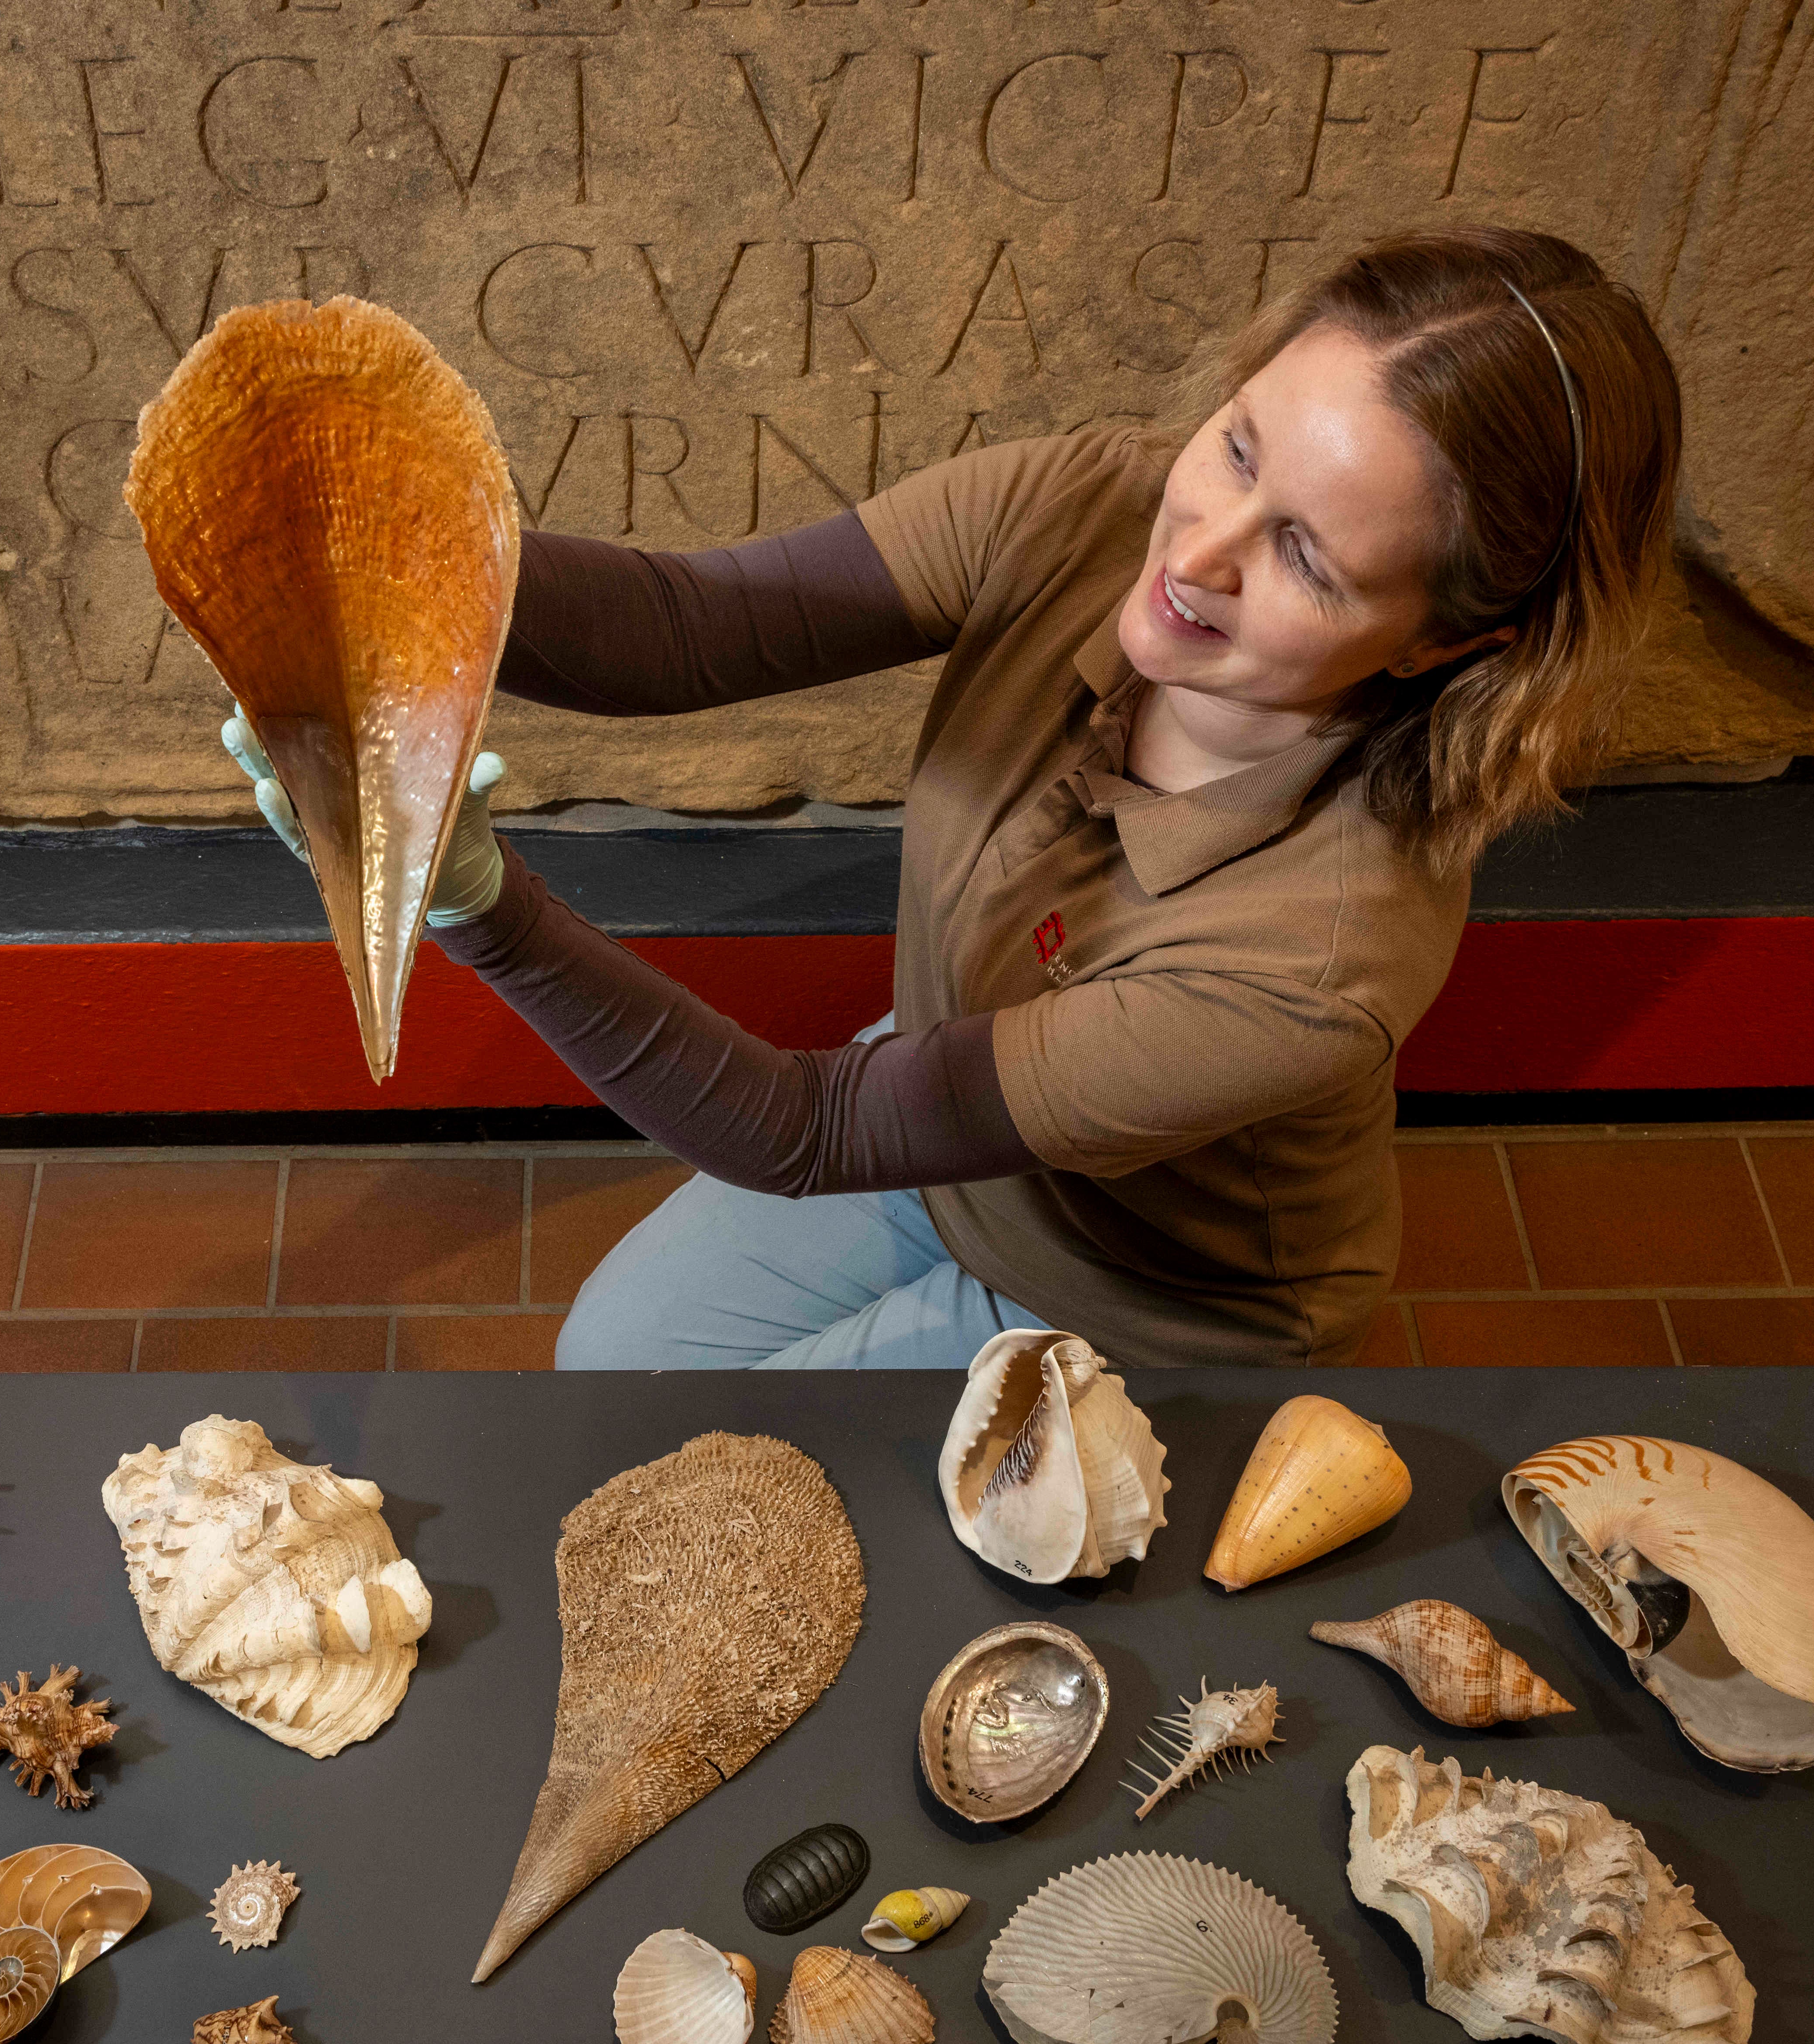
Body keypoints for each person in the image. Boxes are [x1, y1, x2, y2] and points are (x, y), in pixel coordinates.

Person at [228, 227, 1682, 1372]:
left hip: (1138, 1297)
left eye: (1308, 557)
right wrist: (391, 545)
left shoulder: (1318, 963)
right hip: (948, 1092)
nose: (1198, 551)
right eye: (1238, 446)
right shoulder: (1090, 504)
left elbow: (802, 1126)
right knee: (614, 1357)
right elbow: (690, 626)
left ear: (1448, 643)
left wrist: (476, 903)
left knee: (778, 1493)